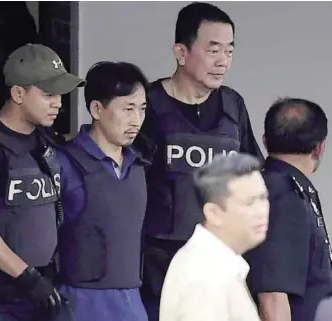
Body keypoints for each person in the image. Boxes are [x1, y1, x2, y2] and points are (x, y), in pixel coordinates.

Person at [138, 3, 264, 319]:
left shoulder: (233, 106)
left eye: (229, 51)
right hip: (156, 266)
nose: (223, 61)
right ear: (181, 53)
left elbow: (252, 173)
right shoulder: (148, 107)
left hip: (220, 262)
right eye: (213, 50)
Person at [0, 43, 85, 321]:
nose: (59, 103)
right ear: (18, 93)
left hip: (42, 290)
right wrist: (27, 277)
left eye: (60, 95)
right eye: (48, 94)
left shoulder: (45, 138)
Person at [55, 61, 153, 321]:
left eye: (142, 109)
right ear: (97, 109)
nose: (137, 120)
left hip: (132, 303)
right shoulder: (64, 163)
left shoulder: (139, 165)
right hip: (79, 303)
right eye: (128, 109)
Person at [245, 98, 332, 321]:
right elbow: (272, 296)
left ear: (265, 141)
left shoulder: (293, 189)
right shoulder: (281, 195)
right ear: (319, 147)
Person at [159, 153, 268, 321]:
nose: (261, 211)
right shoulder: (203, 277)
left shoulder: (215, 263)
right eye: (249, 202)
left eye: (263, 198)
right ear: (214, 213)